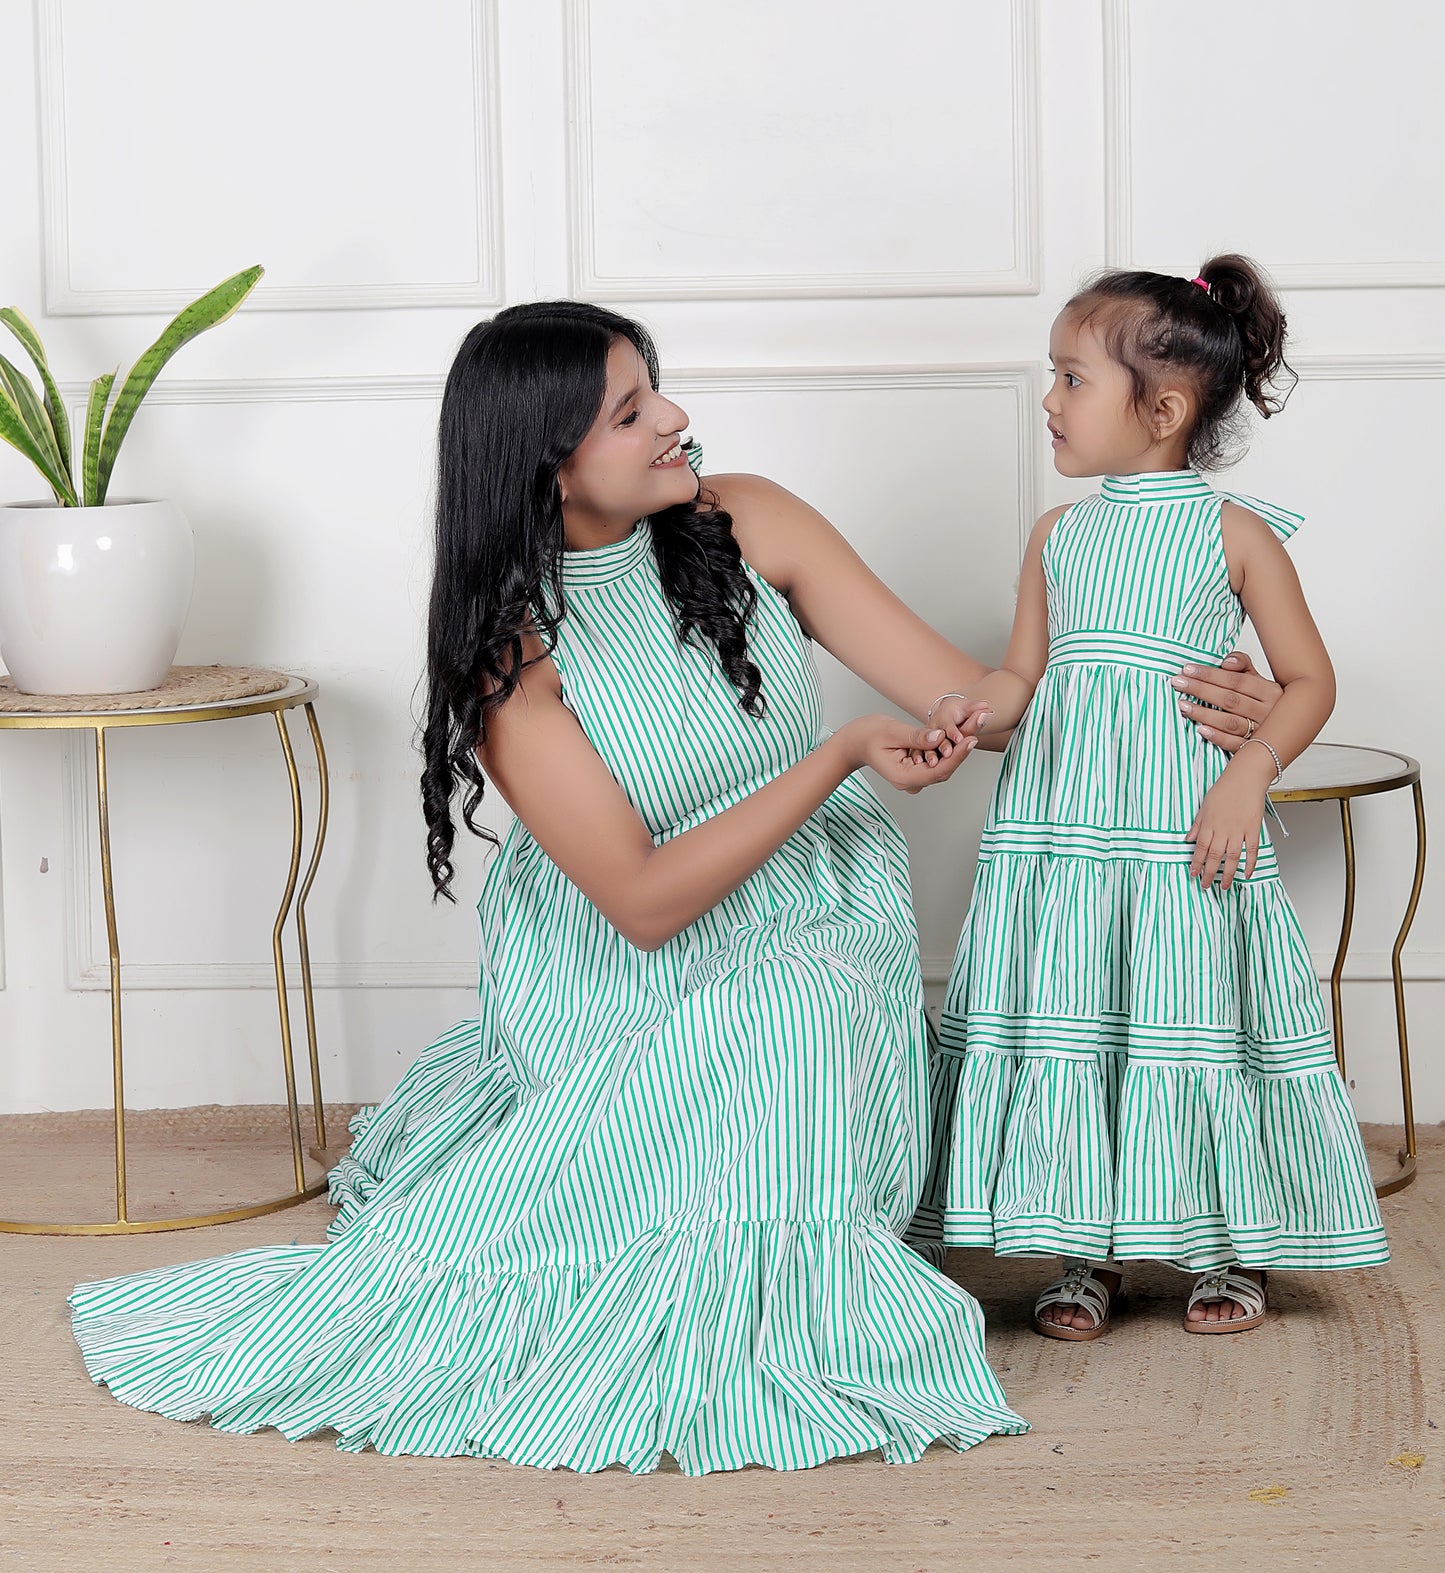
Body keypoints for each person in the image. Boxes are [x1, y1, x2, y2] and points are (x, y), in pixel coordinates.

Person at [69, 301, 1278, 1470]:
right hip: (621, 951)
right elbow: (641, 901)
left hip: (811, 909)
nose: (675, 418)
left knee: (787, 1008)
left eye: (657, 388)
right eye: (630, 410)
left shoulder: (750, 520)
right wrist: (836, 755)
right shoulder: (511, 655)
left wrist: (1217, 707)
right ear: (548, 464)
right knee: (720, 1063)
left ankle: (757, 1257)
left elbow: (974, 701)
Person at [923, 257, 1387, 1342]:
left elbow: (1307, 679)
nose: (1047, 399)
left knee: (1184, 1010)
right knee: (1079, 1009)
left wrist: (1245, 772)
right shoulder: (1056, 535)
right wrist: (964, 713)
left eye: (1070, 379)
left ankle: (1222, 1243)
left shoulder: (1233, 535)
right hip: (1062, 827)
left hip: (1179, 824)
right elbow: (1019, 678)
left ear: (1163, 408)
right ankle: (1083, 1245)